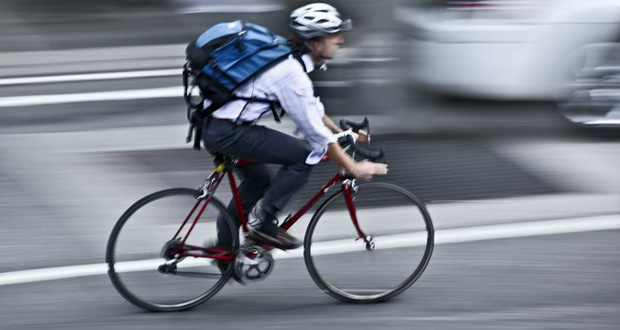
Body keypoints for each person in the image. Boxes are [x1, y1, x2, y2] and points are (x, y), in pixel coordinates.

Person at [202, 3, 388, 251]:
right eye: (335, 34)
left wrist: (340, 132)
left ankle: (224, 249)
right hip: (230, 133)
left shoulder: (288, 58)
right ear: (315, 41)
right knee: (302, 156)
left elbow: (311, 108)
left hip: (219, 126)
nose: (341, 40)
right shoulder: (292, 75)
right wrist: (353, 167)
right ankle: (266, 224)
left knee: (259, 180)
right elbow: (315, 137)